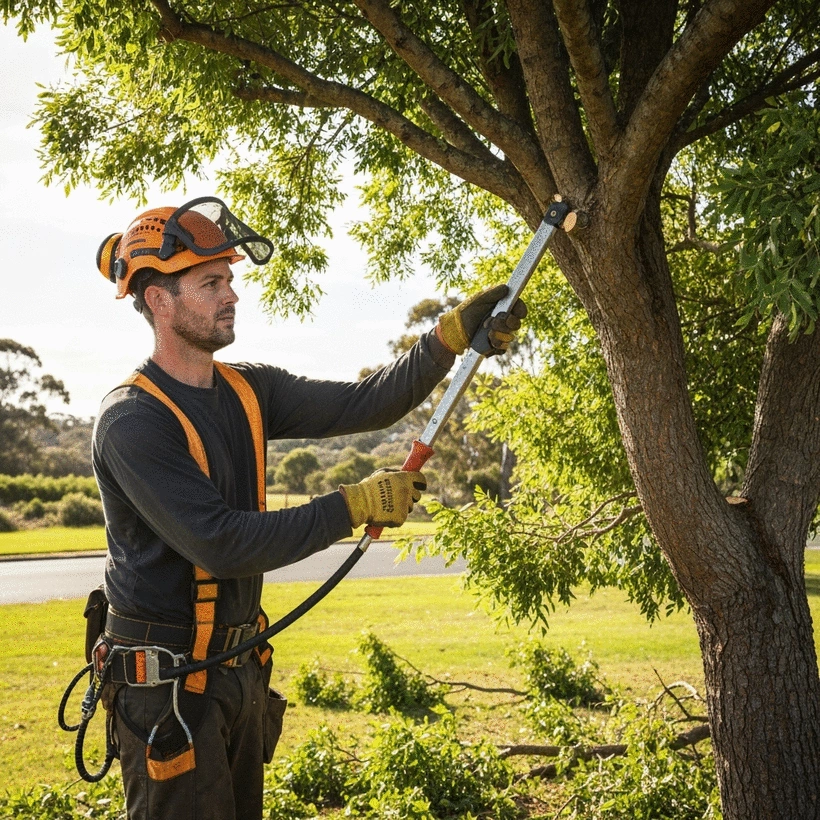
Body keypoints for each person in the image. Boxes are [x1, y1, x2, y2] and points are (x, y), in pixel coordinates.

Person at [90, 196, 526, 820]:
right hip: (164, 692)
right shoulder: (133, 421)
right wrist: (353, 504)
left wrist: (447, 339)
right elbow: (222, 542)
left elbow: (365, 404)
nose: (231, 294)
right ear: (159, 299)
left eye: (230, 280)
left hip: (235, 672)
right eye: (210, 283)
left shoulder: (248, 388)